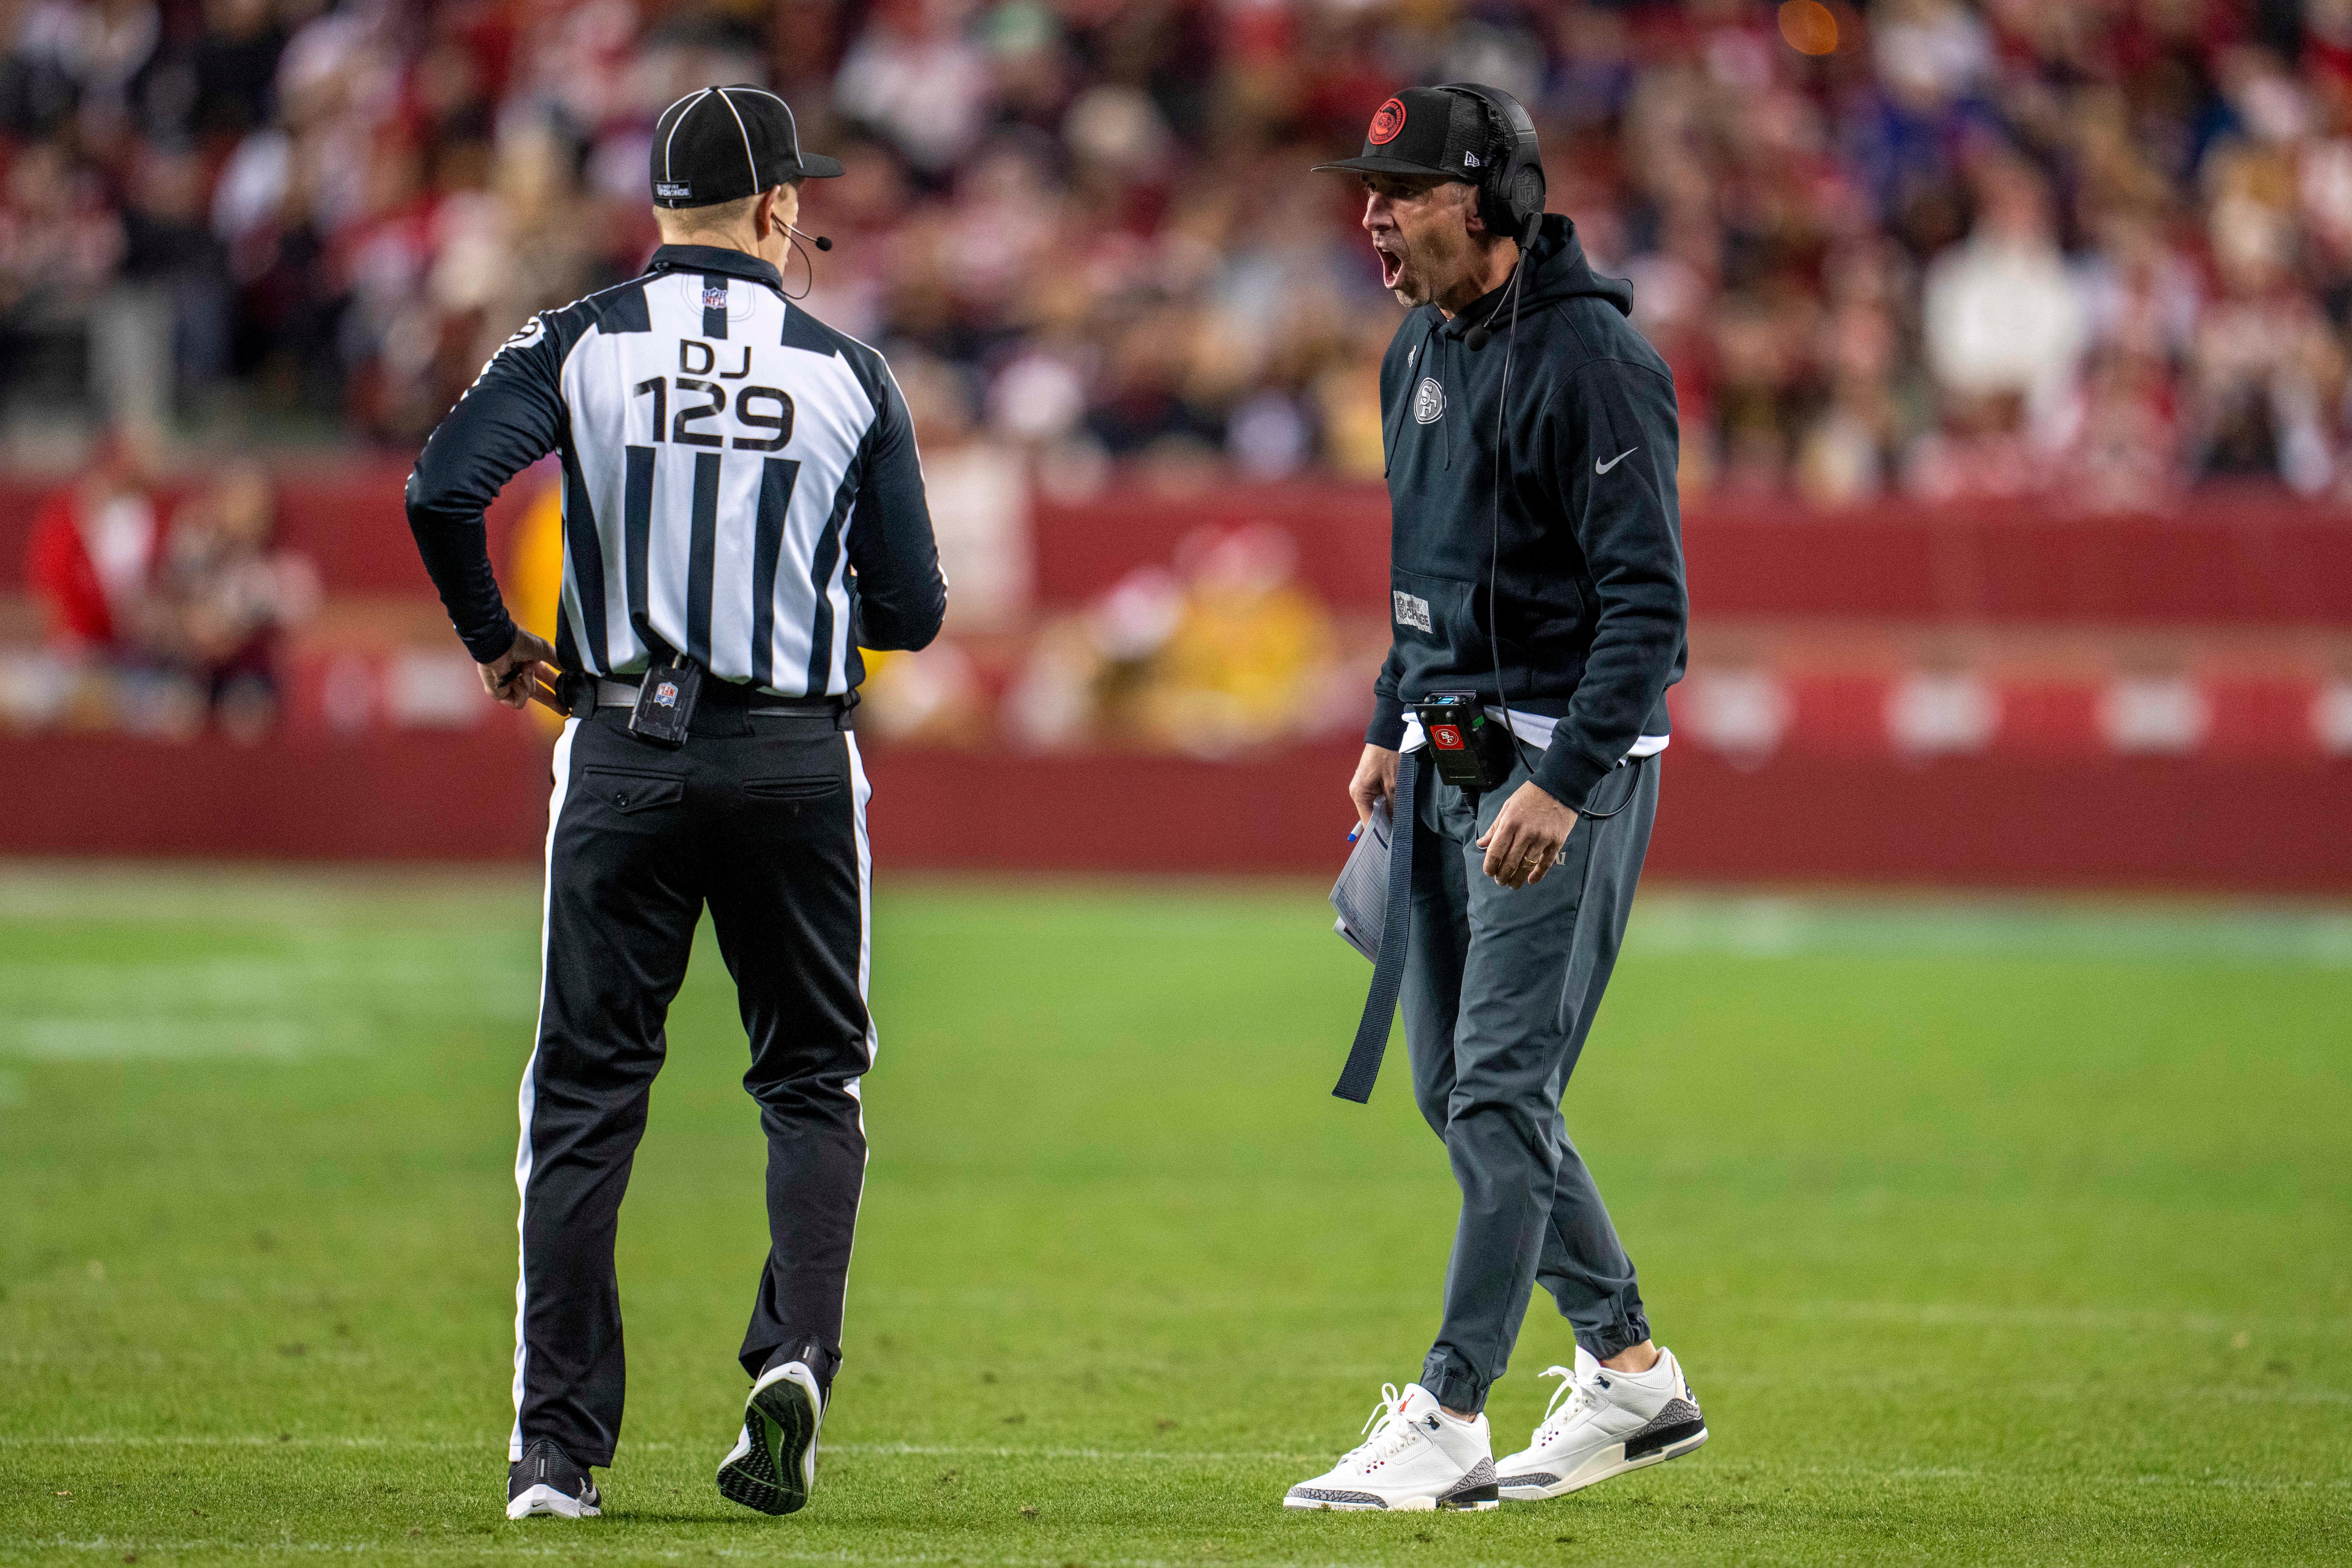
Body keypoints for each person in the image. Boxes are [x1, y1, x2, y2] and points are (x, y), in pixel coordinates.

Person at [403, 85, 946, 1524]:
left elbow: (442, 487)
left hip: (624, 745)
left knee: (585, 1096)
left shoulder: (581, 343)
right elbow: (916, 604)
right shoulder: (849, 372)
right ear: (777, 210)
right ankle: (794, 1360)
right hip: (791, 757)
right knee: (810, 1078)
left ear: (657, 212)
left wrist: (491, 641)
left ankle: (556, 1456)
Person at [1285, 85, 1701, 1514]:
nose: (1372, 215)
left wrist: (1566, 781)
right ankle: (1631, 1370)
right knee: (1457, 1096)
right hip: (1447, 757)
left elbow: (1651, 610)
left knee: (1498, 1089)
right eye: (1369, 189)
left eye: (1398, 190)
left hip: (1551, 774)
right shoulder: (1417, 346)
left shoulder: (1595, 359)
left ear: (1487, 199)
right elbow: (1432, 580)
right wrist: (1388, 720)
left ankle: (1451, 1405)